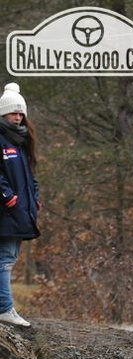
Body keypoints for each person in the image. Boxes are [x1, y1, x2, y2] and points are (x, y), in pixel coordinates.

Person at [0, 82, 41, 327]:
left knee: (9, 257)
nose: (17, 117)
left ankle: (4, 307)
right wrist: (9, 197)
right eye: (13, 112)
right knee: (5, 258)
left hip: (19, 211)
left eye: (20, 113)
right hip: (6, 210)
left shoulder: (21, 141)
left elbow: (30, 175)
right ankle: (5, 308)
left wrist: (35, 197)